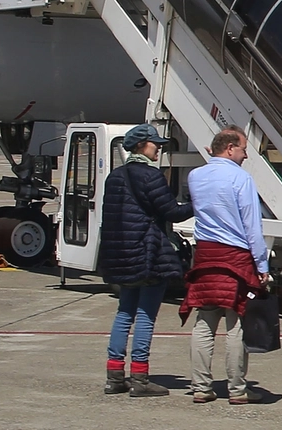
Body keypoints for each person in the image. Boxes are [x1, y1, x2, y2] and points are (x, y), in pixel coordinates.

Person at [98, 123, 194, 396]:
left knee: (124, 312)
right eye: (155, 144)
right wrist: (198, 201)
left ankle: (114, 375)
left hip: (121, 255)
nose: (159, 148)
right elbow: (172, 213)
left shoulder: (114, 177)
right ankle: (140, 377)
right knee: (145, 316)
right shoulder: (151, 177)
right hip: (147, 253)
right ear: (142, 145)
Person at [182, 127, 270, 405]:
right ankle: (237, 388)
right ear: (230, 148)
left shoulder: (195, 176)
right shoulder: (240, 178)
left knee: (204, 321)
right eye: (244, 149)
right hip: (235, 254)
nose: (246, 156)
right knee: (236, 324)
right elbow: (251, 225)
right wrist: (262, 264)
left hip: (206, 253)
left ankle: (201, 386)